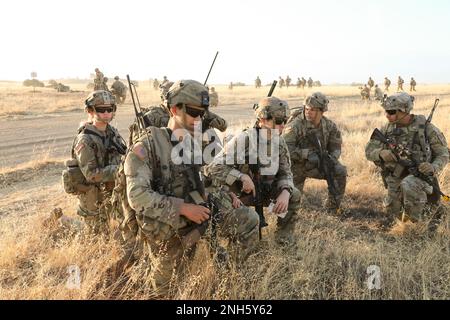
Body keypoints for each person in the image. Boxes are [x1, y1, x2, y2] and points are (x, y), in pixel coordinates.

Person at [123, 80, 259, 295]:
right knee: (165, 288)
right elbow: (137, 196)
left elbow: (202, 178)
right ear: (174, 109)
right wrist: (184, 208)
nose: (199, 119)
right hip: (168, 226)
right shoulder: (147, 146)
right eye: (194, 112)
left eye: (202, 113)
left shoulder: (192, 142)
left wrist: (226, 194)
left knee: (249, 220)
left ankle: (234, 279)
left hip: (198, 217)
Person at [205, 96, 301, 243]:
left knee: (294, 194)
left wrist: (285, 192)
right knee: (246, 226)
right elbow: (213, 167)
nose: (282, 126)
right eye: (279, 121)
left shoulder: (279, 141)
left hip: (264, 190)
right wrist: (241, 177)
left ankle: (283, 239)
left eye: (285, 121)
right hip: (237, 194)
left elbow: (285, 172)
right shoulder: (245, 139)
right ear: (262, 119)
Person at [365, 92, 448, 224]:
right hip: (396, 175)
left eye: (391, 112)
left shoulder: (425, 128)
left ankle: (420, 222)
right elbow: (369, 150)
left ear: (404, 110)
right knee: (395, 215)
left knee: (409, 186)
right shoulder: (387, 128)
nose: (387, 115)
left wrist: (433, 167)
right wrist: (380, 153)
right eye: (386, 111)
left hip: (420, 176)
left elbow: (443, 153)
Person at [69, 90, 126, 234]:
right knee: (95, 236)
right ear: (90, 111)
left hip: (111, 191)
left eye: (110, 109)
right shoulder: (85, 139)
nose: (107, 112)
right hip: (93, 195)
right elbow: (91, 175)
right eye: (101, 109)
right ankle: (62, 221)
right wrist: (120, 169)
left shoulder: (112, 132)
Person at [282, 92, 347, 213]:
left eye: (312, 110)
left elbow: (336, 147)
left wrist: (330, 159)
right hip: (295, 166)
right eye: (306, 109)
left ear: (322, 111)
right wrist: (306, 154)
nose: (308, 112)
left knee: (340, 171)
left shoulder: (329, 126)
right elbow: (285, 151)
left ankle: (332, 208)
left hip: (317, 163)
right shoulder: (294, 126)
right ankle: (288, 214)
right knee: (291, 199)